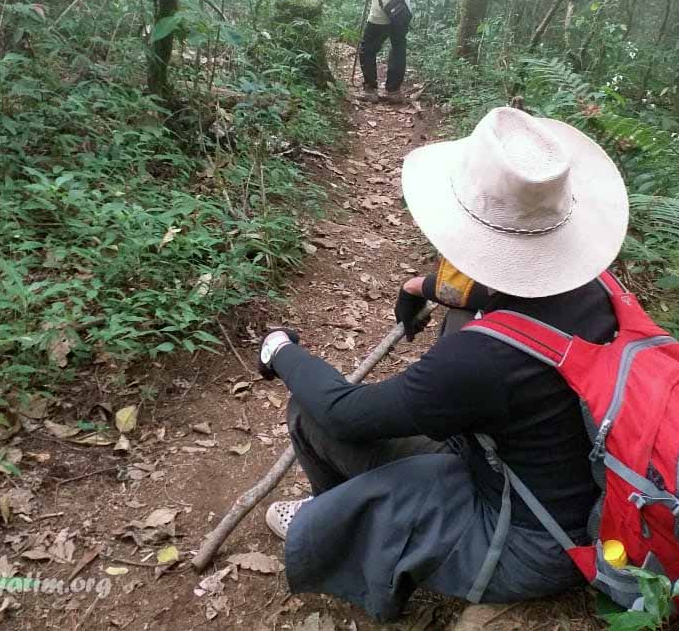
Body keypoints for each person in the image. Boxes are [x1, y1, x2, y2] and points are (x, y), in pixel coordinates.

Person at [256, 107, 632, 621]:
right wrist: (423, 286)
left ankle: (346, 528)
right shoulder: (595, 289)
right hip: (577, 501)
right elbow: (506, 285)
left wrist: (281, 350)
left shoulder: (481, 359)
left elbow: (344, 412)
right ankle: (354, 515)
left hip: (527, 544)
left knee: (310, 410)